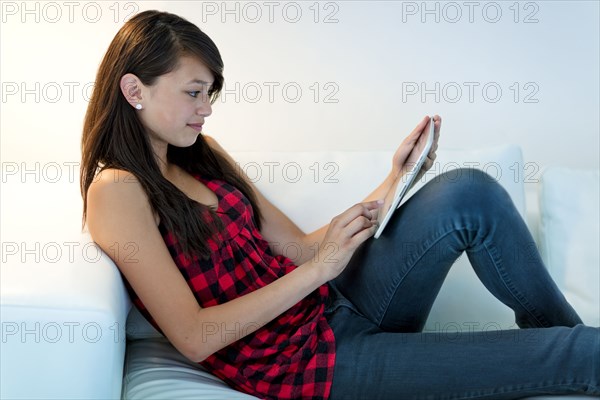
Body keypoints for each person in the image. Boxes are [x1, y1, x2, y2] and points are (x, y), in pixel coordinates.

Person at [80, 10, 599, 400]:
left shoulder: (199, 156)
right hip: (309, 363)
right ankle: (566, 349)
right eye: (194, 92)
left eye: (211, 93)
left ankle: (553, 330)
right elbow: (194, 337)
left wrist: (394, 179)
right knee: (582, 352)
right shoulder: (118, 190)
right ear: (133, 89)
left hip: (332, 306)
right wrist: (321, 269)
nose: (207, 109)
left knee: (469, 191)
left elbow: (301, 248)